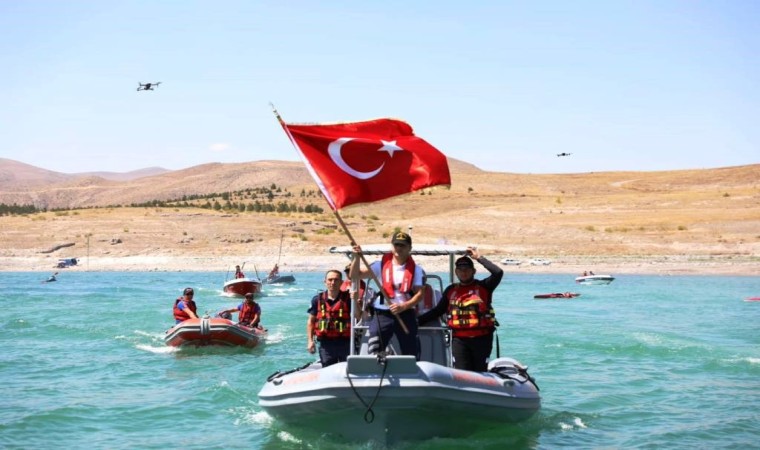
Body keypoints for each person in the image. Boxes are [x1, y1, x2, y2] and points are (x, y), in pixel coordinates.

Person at [418, 247, 503, 372]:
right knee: (462, 373)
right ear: (456, 272)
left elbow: (498, 273)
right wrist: (416, 321)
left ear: (473, 271)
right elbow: (438, 311)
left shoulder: (484, 286)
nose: (464, 273)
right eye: (460, 270)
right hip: (459, 340)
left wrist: (479, 258)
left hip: (482, 339)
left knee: (480, 372)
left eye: (467, 269)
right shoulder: (451, 290)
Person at [350, 231, 424, 357]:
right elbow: (354, 275)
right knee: (374, 347)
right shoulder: (380, 265)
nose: (399, 248)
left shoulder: (417, 270)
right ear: (392, 246)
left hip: (405, 314)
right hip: (382, 314)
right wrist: (356, 257)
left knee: (411, 351)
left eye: (403, 245)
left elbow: (420, 294)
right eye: (396, 245)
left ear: (409, 248)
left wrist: (403, 306)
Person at [307, 269, 352, 367]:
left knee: (347, 369)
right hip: (326, 344)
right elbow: (311, 321)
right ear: (325, 282)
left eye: (336, 280)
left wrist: (357, 302)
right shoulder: (317, 300)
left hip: (345, 343)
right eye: (330, 280)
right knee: (327, 369)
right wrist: (310, 341)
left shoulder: (349, 299)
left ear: (341, 282)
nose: (333, 282)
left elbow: (359, 316)